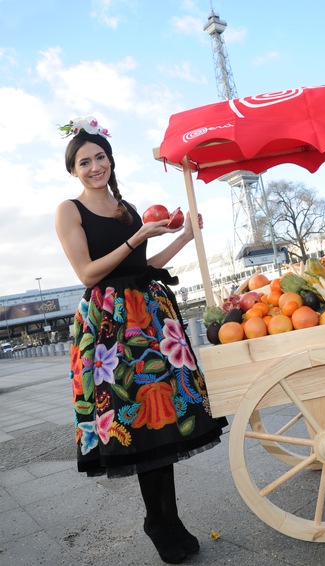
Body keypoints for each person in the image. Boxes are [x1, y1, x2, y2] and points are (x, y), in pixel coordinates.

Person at [56, 116, 227, 563]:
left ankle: (167, 519)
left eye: (100, 157)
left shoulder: (127, 207)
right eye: (84, 161)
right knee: (136, 421)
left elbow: (145, 267)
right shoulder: (69, 211)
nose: (95, 167)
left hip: (149, 316)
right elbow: (89, 273)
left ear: (110, 159)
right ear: (73, 169)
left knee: (163, 419)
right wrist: (137, 236)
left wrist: (185, 236)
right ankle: (160, 521)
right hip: (111, 326)